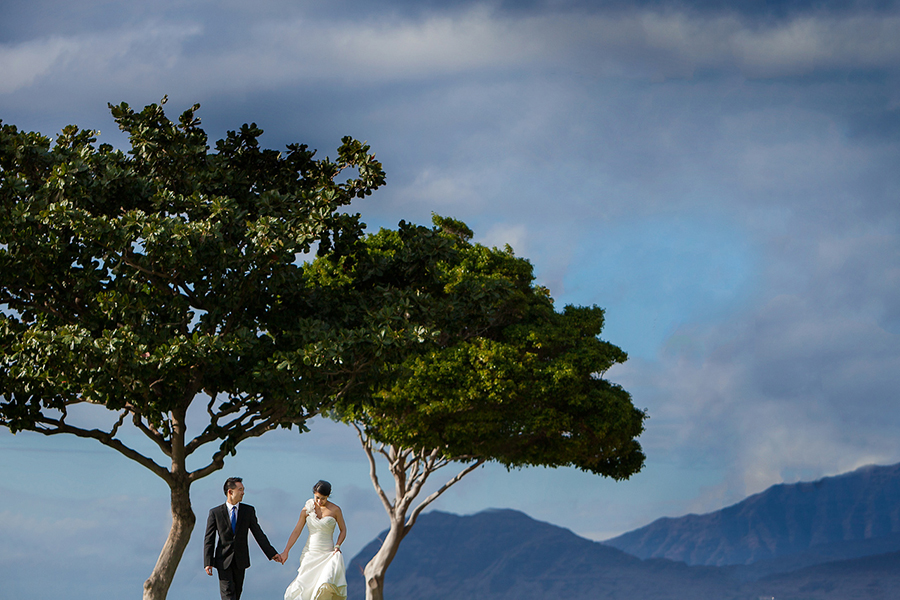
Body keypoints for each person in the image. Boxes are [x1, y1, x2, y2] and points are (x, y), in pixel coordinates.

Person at [204, 477, 283, 600]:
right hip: (223, 561)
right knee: (228, 594)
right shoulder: (215, 513)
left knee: (237, 594)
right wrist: (208, 562)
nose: (243, 492)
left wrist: (272, 553)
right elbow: (209, 539)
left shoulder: (248, 511)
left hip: (241, 560)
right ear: (230, 492)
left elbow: (258, 534)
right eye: (240, 489)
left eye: (243, 489)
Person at [278, 480, 348, 600]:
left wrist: (338, 546)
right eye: (317, 498)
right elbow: (296, 531)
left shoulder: (336, 510)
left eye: (323, 498)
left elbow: (343, 530)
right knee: (304, 586)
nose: (319, 501)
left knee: (325, 584)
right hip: (310, 553)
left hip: (328, 554)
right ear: (314, 494)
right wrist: (286, 550)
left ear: (328, 496)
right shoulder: (307, 509)